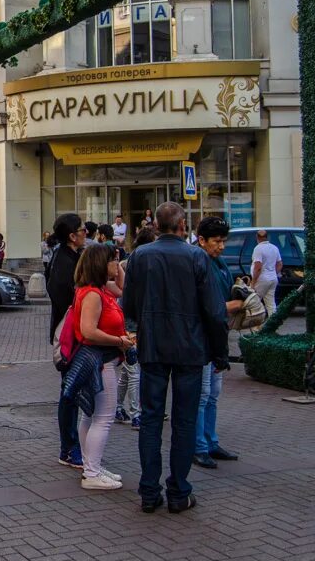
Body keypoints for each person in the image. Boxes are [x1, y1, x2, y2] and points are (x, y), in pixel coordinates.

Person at [122, 203, 227, 515]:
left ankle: (149, 491)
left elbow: (129, 304)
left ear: (156, 224)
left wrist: (136, 331)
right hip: (190, 349)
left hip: (153, 347)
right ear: (183, 225)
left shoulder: (140, 256)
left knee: (152, 419)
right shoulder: (197, 257)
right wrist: (220, 353)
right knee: (183, 421)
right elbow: (215, 311)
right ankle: (179, 491)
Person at [67, 244, 135, 490]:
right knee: (103, 417)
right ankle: (92, 472)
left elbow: (123, 288)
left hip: (100, 359)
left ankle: (90, 466)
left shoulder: (97, 288)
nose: (116, 266)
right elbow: (88, 331)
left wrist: (119, 267)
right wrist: (120, 341)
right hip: (100, 360)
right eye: (112, 261)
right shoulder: (94, 294)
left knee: (91, 415)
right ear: (99, 264)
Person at [192, 216, 243, 470]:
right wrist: (232, 305)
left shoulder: (218, 262)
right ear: (202, 240)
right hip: (202, 339)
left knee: (212, 394)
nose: (221, 246)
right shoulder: (198, 262)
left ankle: (210, 442)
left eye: (223, 241)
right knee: (202, 395)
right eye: (217, 241)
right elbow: (203, 307)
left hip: (217, 337)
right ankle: (199, 446)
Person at [115, 227, 156, 429]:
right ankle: (135, 414)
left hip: (136, 325)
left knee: (128, 370)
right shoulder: (135, 265)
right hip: (132, 327)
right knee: (134, 372)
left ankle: (117, 406)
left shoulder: (135, 262)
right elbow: (128, 300)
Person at [47, 214, 84, 340]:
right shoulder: (64, 262)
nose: (86, 233)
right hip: (69, 330)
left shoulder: (70, 255)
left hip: (70, 326)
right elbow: (65, 296)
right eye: (83, 230)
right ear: (72, 236)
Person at [249, 229, 282, 317]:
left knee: (254, 301)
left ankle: (255, 323)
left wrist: (253, 282)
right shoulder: (274, 247)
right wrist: (273, 273)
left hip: (262, 279)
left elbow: (258, 267)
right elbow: (279, 264)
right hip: (273, 278)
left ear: (257, 238)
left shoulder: (258, 249)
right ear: (267, 237)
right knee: (271, 303)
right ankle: (273, 323)